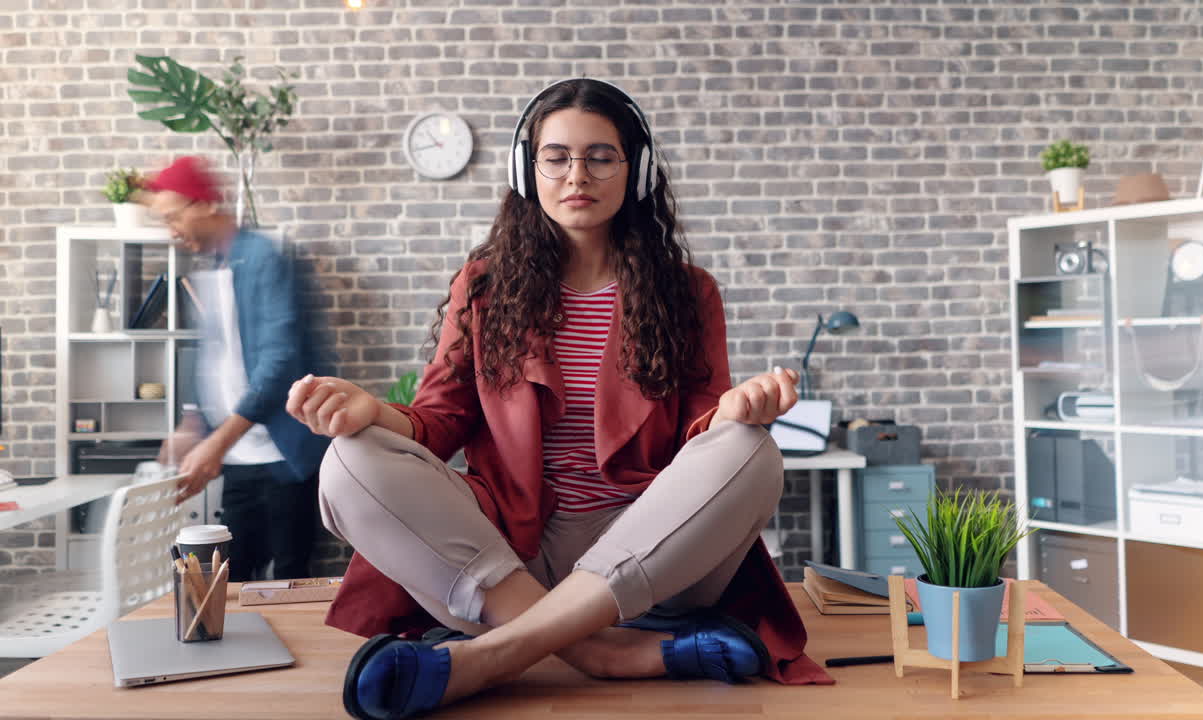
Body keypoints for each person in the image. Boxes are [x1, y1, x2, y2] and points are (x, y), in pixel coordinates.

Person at [287, 79, 830, 719]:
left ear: (638, 171)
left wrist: (735, 412)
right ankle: (605, 654)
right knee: (350, 461)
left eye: (601, 157)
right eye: (557, 156)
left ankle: (497, 655)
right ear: (529, 168)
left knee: (750, 450)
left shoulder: (688, 292)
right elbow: (440, 419)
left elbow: (701, 433)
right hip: (507, 557)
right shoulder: (485, 284)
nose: (579, 175)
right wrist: (370, 412)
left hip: (646, 551)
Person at [148, 156, 331, 582]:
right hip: (239, 456)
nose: (171, 230)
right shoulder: (214, 265)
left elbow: (279, 359)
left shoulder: (265, 256)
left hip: (285, 454)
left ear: (204, 205)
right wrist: (193, 424)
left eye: (173, 217)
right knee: (232, 577)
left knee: (291, 581)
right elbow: (216, 354)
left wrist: (215, 444)